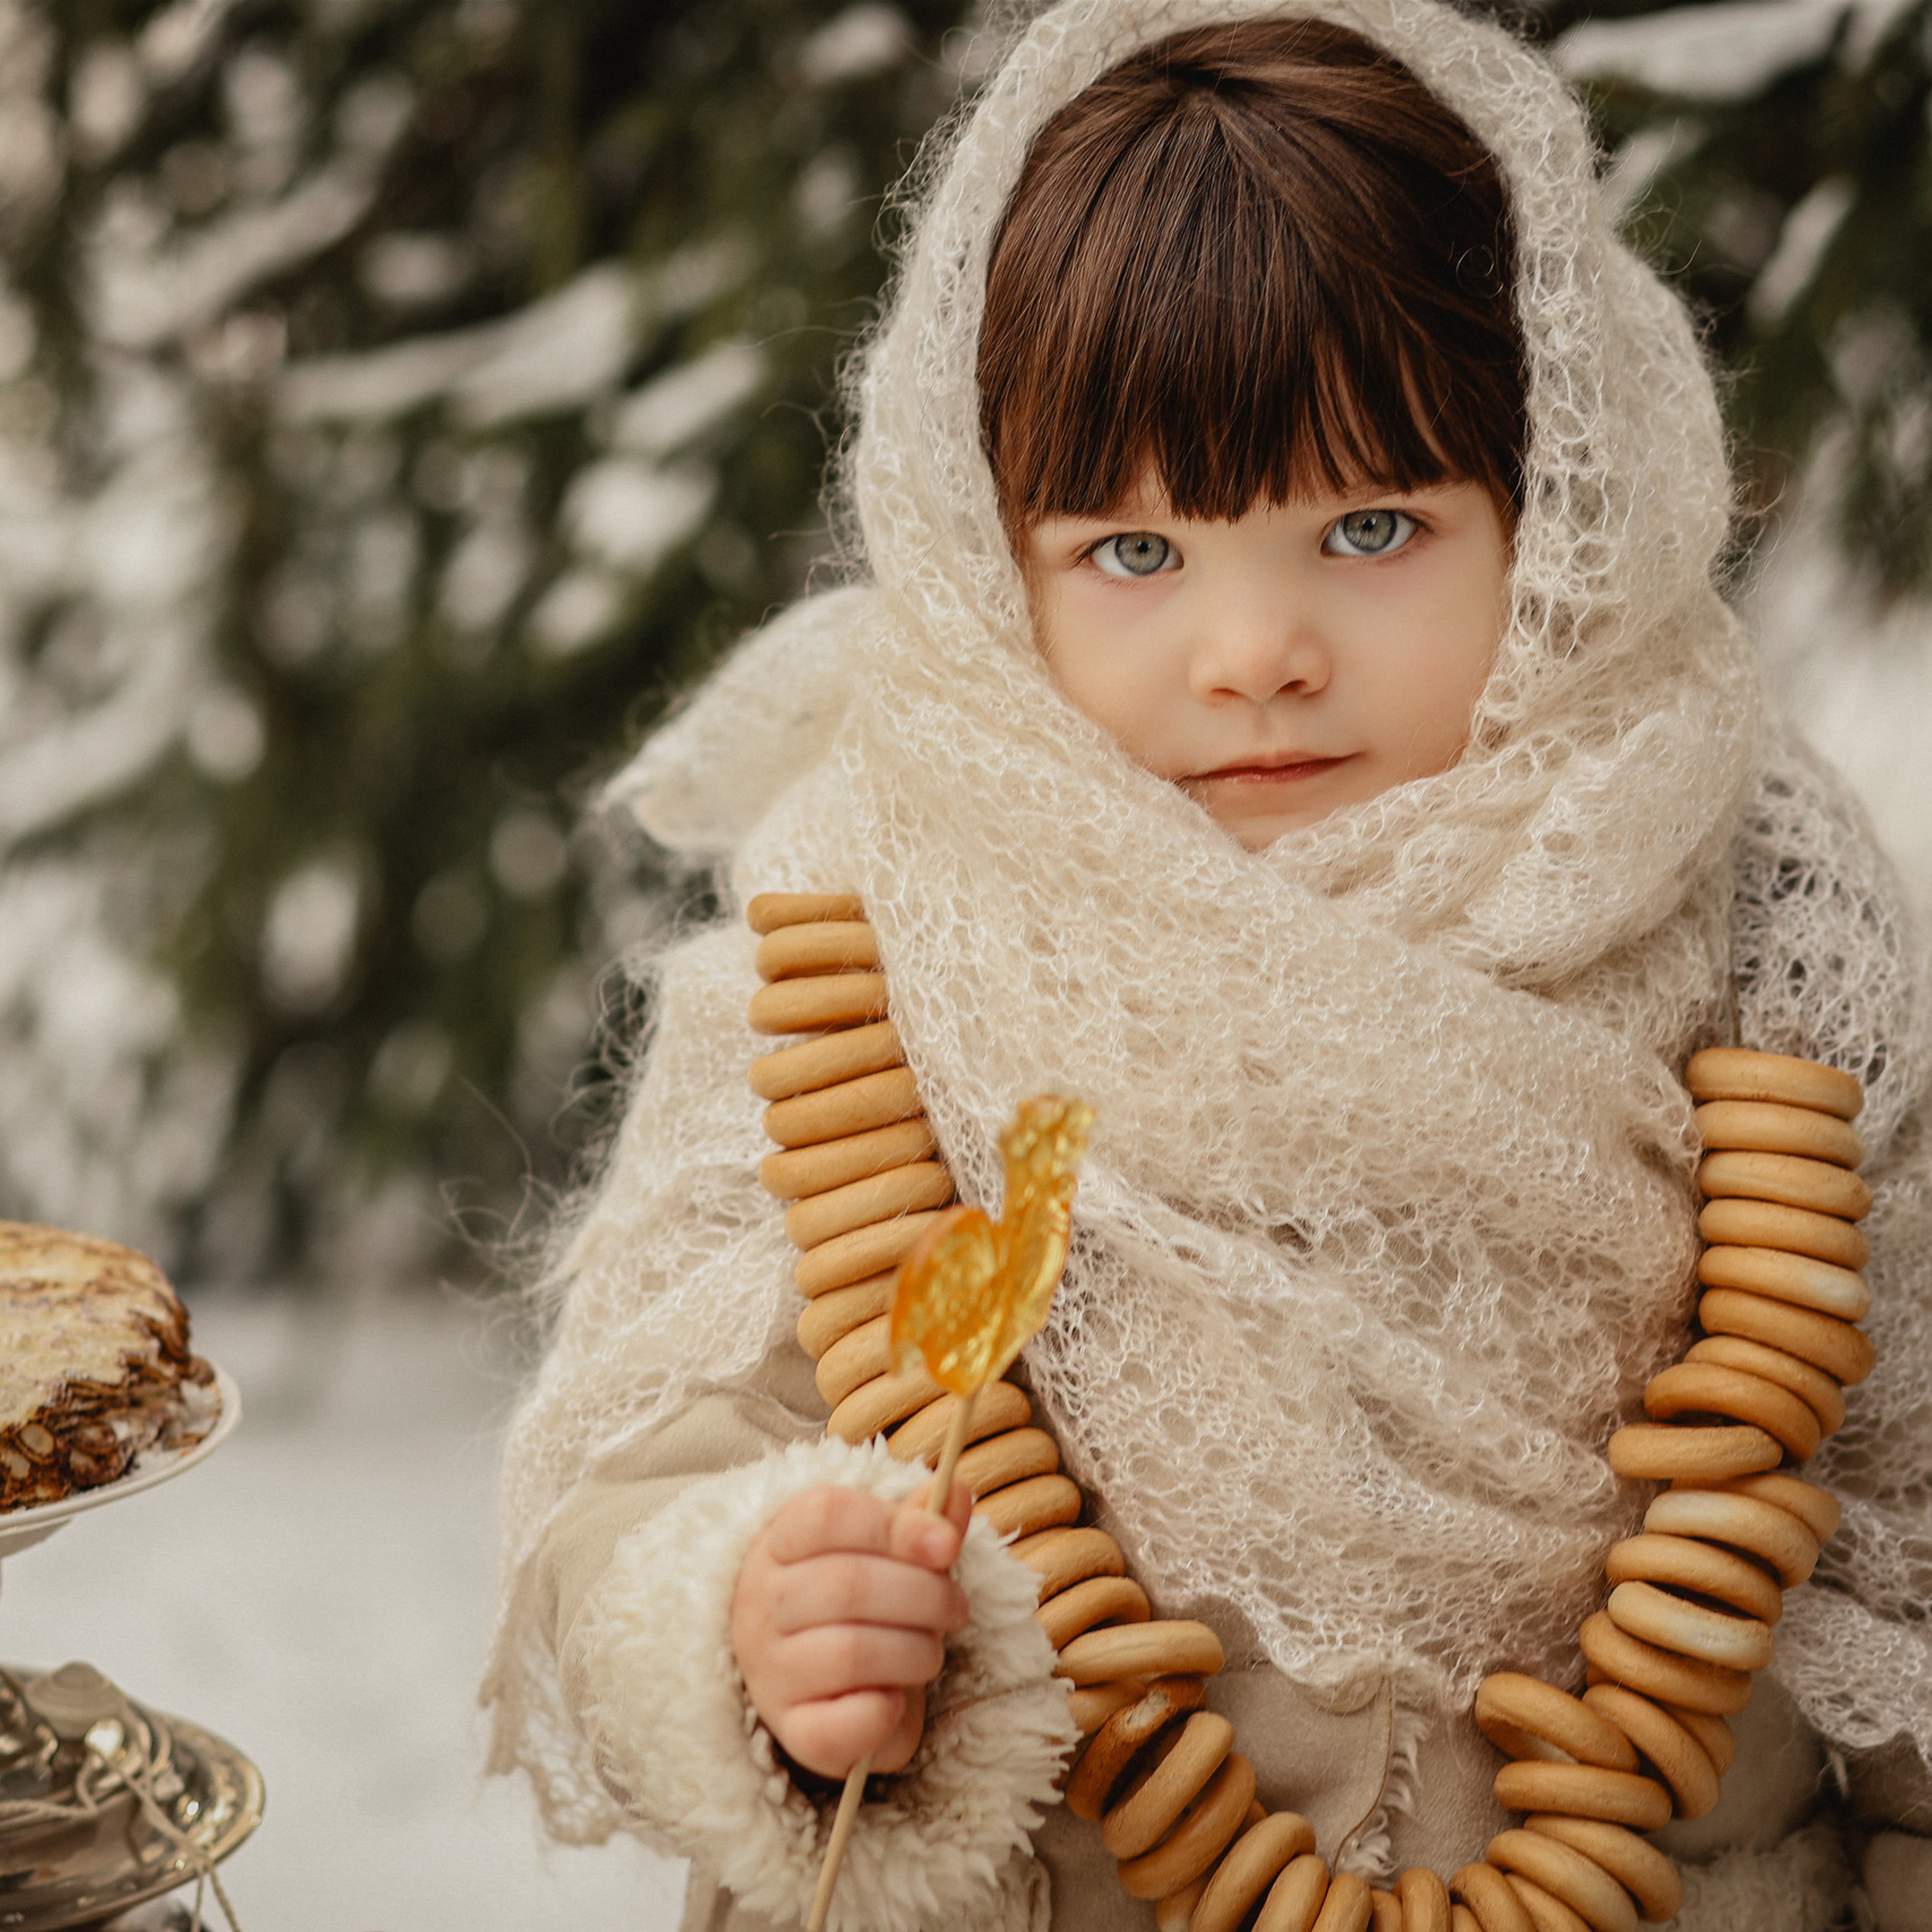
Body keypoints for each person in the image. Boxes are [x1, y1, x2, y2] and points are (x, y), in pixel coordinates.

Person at [481, 4, 1932, 1928]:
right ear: (993, 552)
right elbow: (630, 1489)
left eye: (1367, 524)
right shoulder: (867, 936)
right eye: (1135, 553)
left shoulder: (1763, 943)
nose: (1255, 647)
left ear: (1562, 511)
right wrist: (754, 1613)